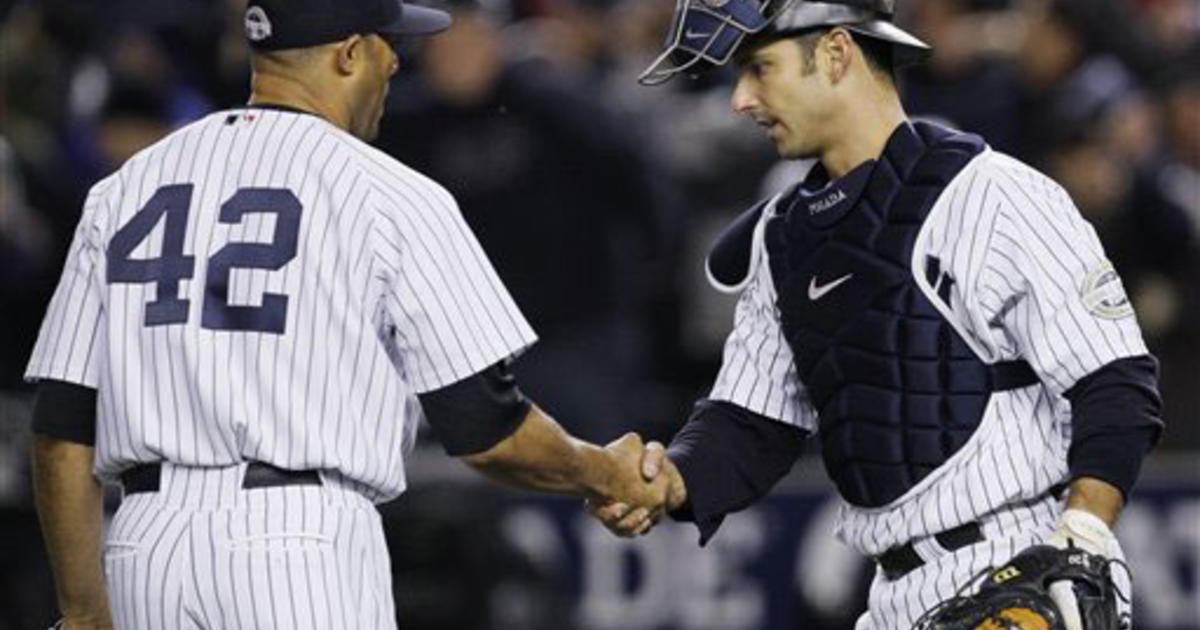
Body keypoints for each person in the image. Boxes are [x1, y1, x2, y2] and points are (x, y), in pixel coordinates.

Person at [26, 2, 669, 629]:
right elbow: (487, 430)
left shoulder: (126, 187)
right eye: (388, 47)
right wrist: (601, 471)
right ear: (351, 53)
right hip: (296, 545)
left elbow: (61, 425)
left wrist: (84, 612)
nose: (397, 65)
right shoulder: (389, 193)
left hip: (145, 544)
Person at [589, 1, 1164, 629]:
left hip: (1020, 561)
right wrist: (668, 479)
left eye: (760, 68)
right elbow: (752, 422)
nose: (741, 99)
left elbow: (1116, 380)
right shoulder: (781, 236)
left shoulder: (991, 194)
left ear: (837, 53)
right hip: (889, 594)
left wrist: (1083, 533)